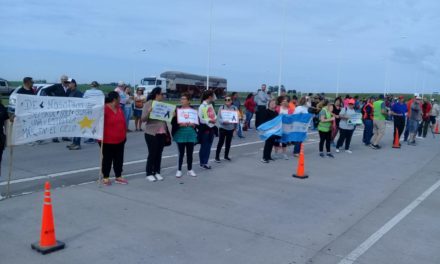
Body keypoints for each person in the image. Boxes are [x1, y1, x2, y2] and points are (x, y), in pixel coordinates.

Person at [99, 91, 128, 186]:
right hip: (107, 140)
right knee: (107, 159)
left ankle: (118, 176)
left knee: (119, 158)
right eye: (119, 97)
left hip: (120, 139)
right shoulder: (103, 109)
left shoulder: (119, 108)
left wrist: (124, 134)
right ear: (115, 99)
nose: (120, 99)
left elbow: (123, 122)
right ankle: (106, 177)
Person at [142, 87, 168, 182]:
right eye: (162, 94)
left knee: (159, 154)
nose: (163, 96)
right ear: (157, 94)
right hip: (151, 133)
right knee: (152, 154)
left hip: (162, 133)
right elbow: (143, 119)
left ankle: (157, 171)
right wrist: (149, 112)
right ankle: (149, 173)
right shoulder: (148, 104)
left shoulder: (163, 105)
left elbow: (166, 117)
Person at [171, 93, 197, 178]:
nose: (182, 100)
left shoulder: (193, 110)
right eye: (181, 98)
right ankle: (179, 170)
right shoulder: (177, 110)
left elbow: (197, 123)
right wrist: (176, 121)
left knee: (190, 153)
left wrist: (194, 125)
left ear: (188, 101)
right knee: (181, 153)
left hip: (190, 133)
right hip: (180, 134)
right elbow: (173, 123)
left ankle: (190, 169)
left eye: (184, 99)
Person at [44, 75, 70, 143]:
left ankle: (64, 136)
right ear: (61, 80)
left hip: (66, 108)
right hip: (57, 108)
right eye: (63, 79)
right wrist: (53, 97)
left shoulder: (69, 87)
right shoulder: (56, 86)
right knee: (56, 122)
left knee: (65, 122)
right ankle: (55, 137)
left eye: (66, 79)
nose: (65, 81)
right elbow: (46, 90)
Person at [198, 90, 217, 169]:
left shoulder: (210, 105)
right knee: (204, 146)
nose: (214, 97)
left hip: (211, 128)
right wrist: (209, 120)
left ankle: (205, 161)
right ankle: (203, 162)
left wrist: (214, 119)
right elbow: (201, 119)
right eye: (213, 95)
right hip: (205, 129)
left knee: (208, 146)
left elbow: (214, 115)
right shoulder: (202, 106)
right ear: (209, 97)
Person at [215, 95, 238, 163]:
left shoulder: (234, 108)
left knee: (228, 143)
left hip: (230, 128)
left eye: (229, 100)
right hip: (223, 128)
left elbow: (236, 119)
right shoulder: (221, 107)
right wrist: (223, 122)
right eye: (226, 100)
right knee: (220, 143)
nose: (227, 101)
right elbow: (218, 118)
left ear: (231, 101)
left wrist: (235, 129)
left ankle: (226, 156)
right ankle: (217, 157)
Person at [66, 79, 83, 150]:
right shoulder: (70, 92)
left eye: (69, 83)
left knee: (78, 129)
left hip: (77, 114)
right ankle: (74, 142)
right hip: (72, 114)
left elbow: (80, 103)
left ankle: (77, 144)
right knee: (74, 129)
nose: (68, 85)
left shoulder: (78, 92)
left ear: (73, 84)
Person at [274, 96, 293, 160]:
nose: (284, 102)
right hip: (278, 127)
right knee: (276, 141)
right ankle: (276, 153)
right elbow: (274, 118)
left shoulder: (290, 110)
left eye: (286, 101)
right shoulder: (277, 108)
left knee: (284, 142)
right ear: (281, 102)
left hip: (286, 128)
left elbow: (291, 119)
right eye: (283, 101)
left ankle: (284, 154)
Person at [261, 99, 279, 163]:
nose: (273, 104)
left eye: (274, 103)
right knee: (267, 143)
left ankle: (268, 156)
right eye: (271, 103)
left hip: (274, 130)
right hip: (268, 130)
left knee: (271, 143)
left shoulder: (276, 112)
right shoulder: (266, 111)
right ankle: (264, 158)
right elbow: (264, 121)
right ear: (269, 104)